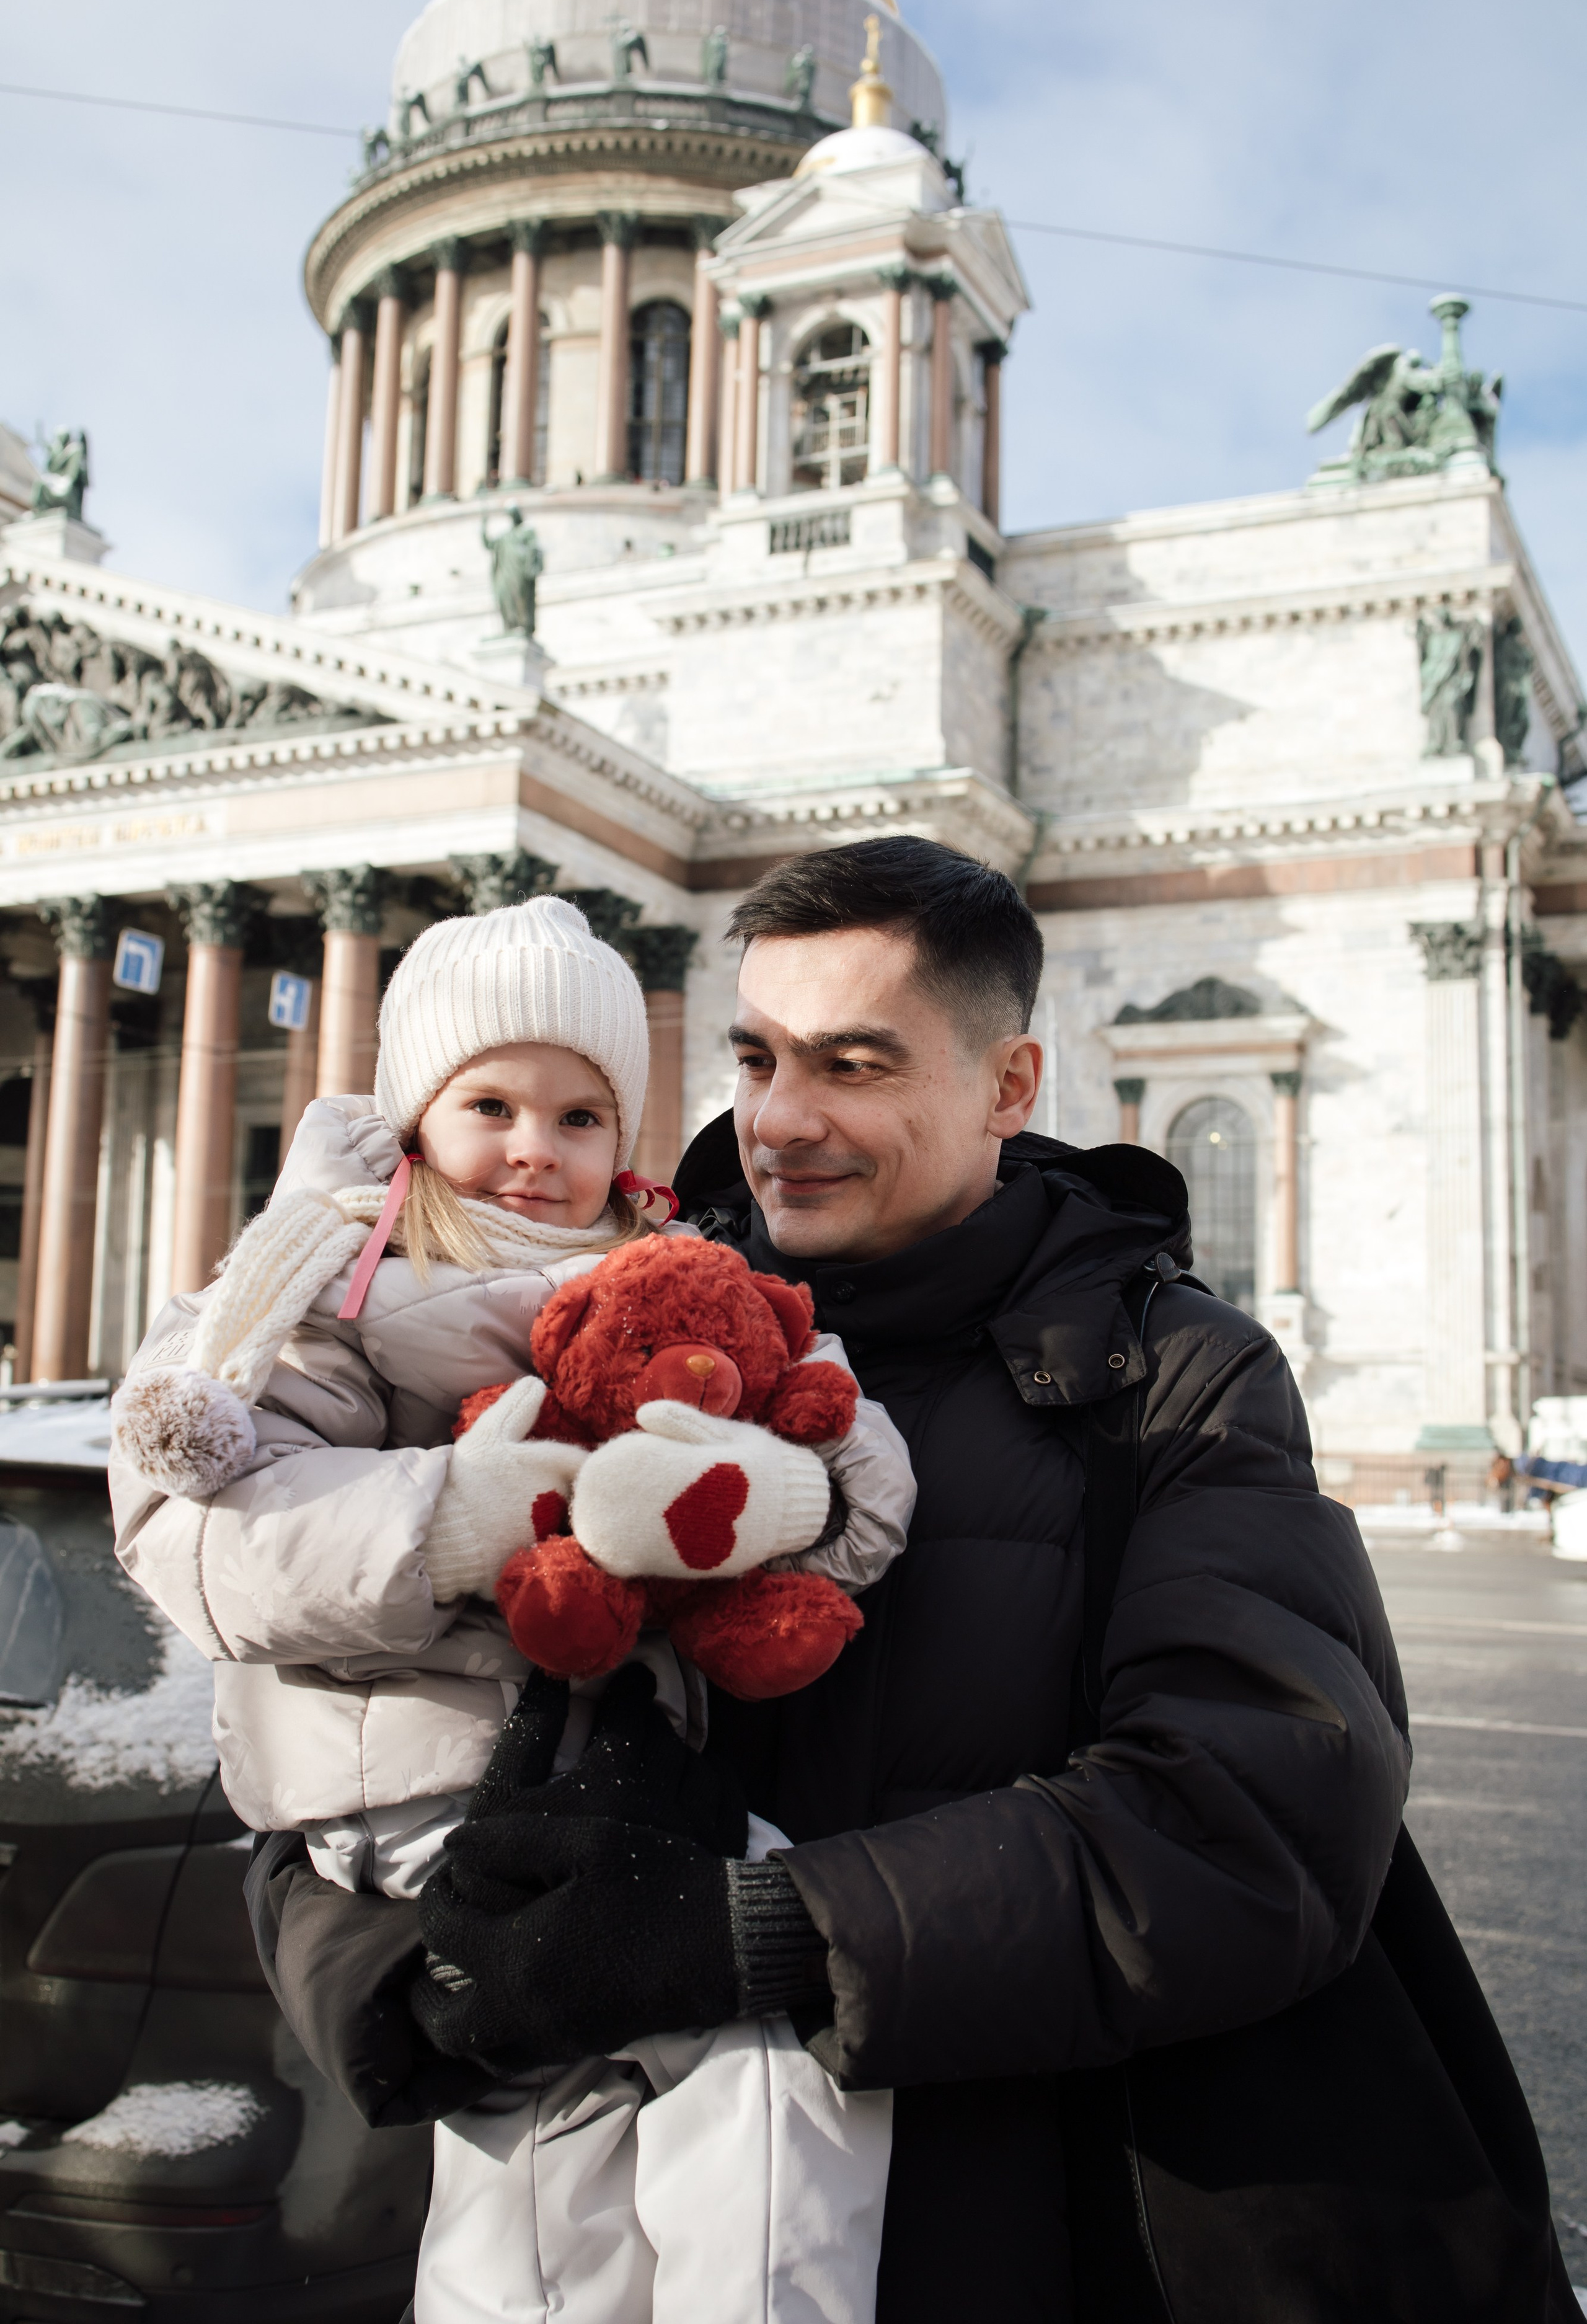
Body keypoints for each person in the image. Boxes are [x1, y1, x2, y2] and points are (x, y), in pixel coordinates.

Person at [249, 841, 1577, 2323]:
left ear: (1008, 1086)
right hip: (640, 2225)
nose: (779, 1120)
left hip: (1054, 2231)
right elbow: (328, 1713)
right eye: (752, 1057)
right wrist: (408, 1974)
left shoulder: (1172, 1378)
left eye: (854, 1064)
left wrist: (745, 1936)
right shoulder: (589, 1322)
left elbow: (1254, 1814)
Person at [108, 895, 912, 2324]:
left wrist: (771, 1493)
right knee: (770, 2046)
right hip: (427, 1785)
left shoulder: (667, 1274)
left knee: (543, 2167)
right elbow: (205, 1528)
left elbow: (849, 1460)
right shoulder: (324, 1273)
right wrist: (477, 1518)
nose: (535, 1147)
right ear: (417, 1112)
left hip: (602, 1765)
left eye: (581, 1115)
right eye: (490, 1102)